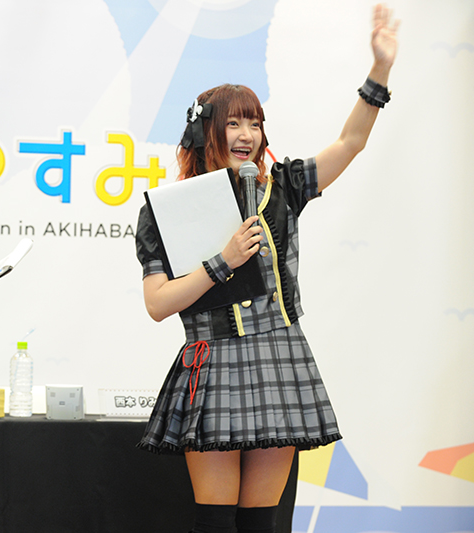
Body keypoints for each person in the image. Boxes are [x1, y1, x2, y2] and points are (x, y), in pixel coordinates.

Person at [134, 5, 398, 533]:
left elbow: (350, 143)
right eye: (233, 122)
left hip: (280, 355)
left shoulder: (283, 187)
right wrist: (222, 262)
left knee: (261, 524)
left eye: (254, 123)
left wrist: (380, 69)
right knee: (214, 521)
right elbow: (158, 304)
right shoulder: (169, 209)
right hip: (212, 360)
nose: (247, 134)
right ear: (205, 132)